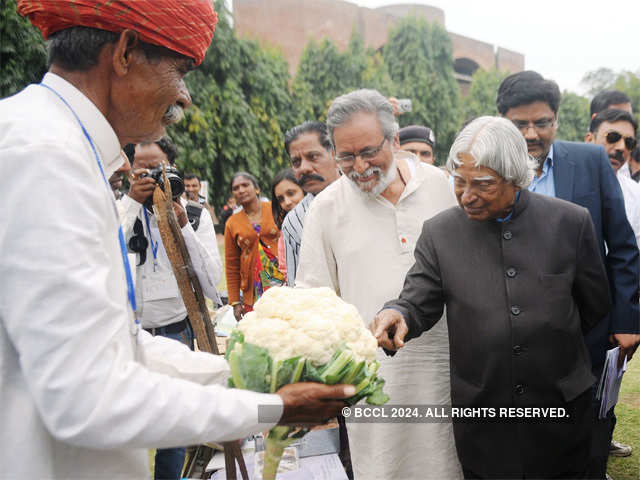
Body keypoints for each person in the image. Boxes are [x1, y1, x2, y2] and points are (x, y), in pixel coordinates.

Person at [0, 2, 354, 477]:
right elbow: (86, 395)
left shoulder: (55, 143)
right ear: (125, 52)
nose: (185, 97)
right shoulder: (45, 156)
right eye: (181, 70)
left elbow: (122, 349)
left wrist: (249, 375)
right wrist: (269, 408)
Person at [373, 116, 611, 479]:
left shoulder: (570, 223)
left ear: (516, 177)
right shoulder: (441, 234)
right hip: (484, 421)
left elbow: (595, 306)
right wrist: (398, 313)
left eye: (483, 184)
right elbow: (417, 299)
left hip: (562, 415)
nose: (467, 195)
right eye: (459, 182)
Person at [296, 89, 462, 480]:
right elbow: (314, 302)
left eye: (369, 151)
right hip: (376, 393)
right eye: (346, 156)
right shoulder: (326, 208)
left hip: (448, 379)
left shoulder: (443, 187)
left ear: (396, 141)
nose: (359, 166)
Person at [497, 70, 640, 480]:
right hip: (513, 336)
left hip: (586, 330)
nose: (531, 134)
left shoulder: (591, 161)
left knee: (587, 437)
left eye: (542, 122)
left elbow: (623, 246)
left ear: (557, 120)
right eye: (519, 123)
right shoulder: (488, 169)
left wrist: (628, 320)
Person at [117, 136, 222, 479]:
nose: (150, 177)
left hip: (176, 329)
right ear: (130, 170)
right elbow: (103, 253)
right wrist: (132, 203)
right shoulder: (117, 209)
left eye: (158, 170)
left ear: (172, 169)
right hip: (130, 335)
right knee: (126, 421)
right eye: (142, 169)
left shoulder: (193, 213)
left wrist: (183, 227)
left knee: (174, 426)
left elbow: (211, 282)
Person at [281, 121, 341, 286]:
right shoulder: (293, 223)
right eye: (296, 162)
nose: (304, 168)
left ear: (335, 155)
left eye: (312, 157)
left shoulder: (365, 195)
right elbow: (298, 286)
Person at [225, 172, 283, 320]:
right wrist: (235, 301)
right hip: (253, 289)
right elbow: (232, 265)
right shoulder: (232, 223)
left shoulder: (274, 209)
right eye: (236, 188)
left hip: (282, 283)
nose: (241, 190)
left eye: (245, 185)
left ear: (256, 189)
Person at [585, 109, 640, 247]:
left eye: (629, 142)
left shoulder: (636, 194)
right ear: (589, 139)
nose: (621, 147)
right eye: (613, 137)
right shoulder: (563, 182)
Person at [270, 168, 305, 282]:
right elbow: (285, 268)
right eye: (281, 199)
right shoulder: (286, 230)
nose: (287, 202)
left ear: (304, 189)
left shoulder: (323, 217)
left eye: (291, 193)